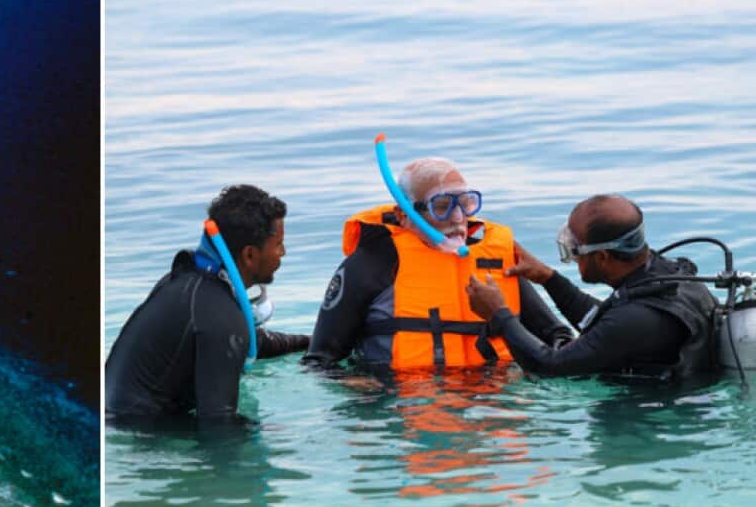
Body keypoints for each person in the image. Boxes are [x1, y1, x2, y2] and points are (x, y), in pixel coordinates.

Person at [305, 157, 571, 370]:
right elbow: (318, 361)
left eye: (466, 203)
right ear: (403, 214)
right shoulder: (371, 264)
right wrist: (356, 388)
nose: (458, 217)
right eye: (441, 206)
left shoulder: (495, 261)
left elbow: (559, 337)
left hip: (491, 405)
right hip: (399, 409)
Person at [105, 184, 309, 424]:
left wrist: (307, 342)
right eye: (278, 244)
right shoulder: (221, 315)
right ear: (250, 255)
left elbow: (244, 340)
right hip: (139, 433)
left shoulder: (189, 285)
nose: (283, 253)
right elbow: (218, 428)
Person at [466, 194, 717, 379]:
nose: (574, 259)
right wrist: (549, 279)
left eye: (574, 250)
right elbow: (602, 323)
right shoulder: (672, 278)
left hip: (649, 424)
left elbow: (550, 366)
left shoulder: (634, 319)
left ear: (602, 257)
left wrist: (499, 315)